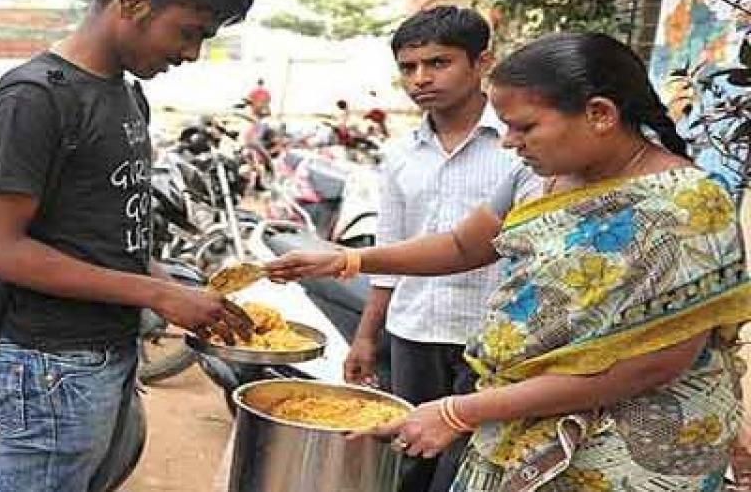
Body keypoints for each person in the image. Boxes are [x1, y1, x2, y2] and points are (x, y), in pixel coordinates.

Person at [268, 32, 750, 491]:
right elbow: (462, 245)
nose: (508, 142)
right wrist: (345, 260)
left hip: (628, 452)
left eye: (525, 127)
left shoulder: (687, 208)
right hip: (520, 420)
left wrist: (461, 412)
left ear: (600, 114)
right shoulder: (553, 178)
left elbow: (649, 367)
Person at [0, 0, 255, 490]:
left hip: (105, 351)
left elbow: (100, 237)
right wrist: (157, 294)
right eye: (189, 32)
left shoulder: (126, 95)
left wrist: (166, 281)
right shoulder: (34, 98)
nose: (191, 54)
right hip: (51, 365)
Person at [337, 6, 538, 492]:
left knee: (471, 468)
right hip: (414, 332)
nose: (421, 78)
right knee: (407, 459)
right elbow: (389, 251)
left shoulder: (523, 144)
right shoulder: (402, 154)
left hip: (491, 341)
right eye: (409, 67)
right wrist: (367, 336)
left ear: (481, 62)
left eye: (438, 62)